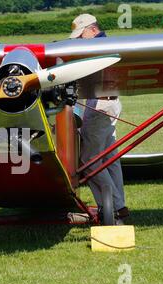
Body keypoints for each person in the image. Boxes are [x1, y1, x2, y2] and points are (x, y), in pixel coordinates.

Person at [70, 14, 129, 223]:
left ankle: (115, 205)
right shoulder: (106, 45)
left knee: (89, 161)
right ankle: (118, 205)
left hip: (99, 106)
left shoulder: (97, 48)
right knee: (109, 159)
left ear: (93, 29)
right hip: (111, 103)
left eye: (81, 35)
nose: (79, 41)